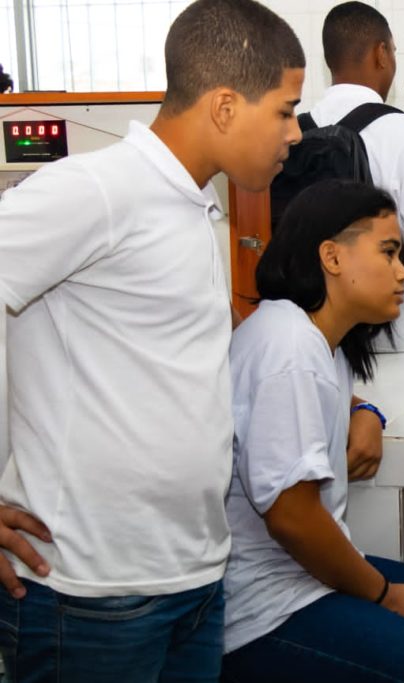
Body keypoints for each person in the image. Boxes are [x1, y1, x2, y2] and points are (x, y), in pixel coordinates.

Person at [0, 0, 304, 679]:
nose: (294, 133)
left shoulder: (194, 205)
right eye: (285, 111)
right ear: (224, 106)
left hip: (192, 580)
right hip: (90, 596)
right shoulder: (98, 190)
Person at [219, 179, 404, 682]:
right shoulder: (289, 348)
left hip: (307, 579)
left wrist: (367, 412)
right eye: (388, 253)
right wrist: (383, 595)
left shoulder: (315, 339)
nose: (403, 272)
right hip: (266, 609)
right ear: (332, 257)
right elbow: (292, 518)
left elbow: (320, 399)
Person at [310, 1, 404, 352]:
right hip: (400, 337)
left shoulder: (299, 130)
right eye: (393, 50)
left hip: (323, 332)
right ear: (381, 53)